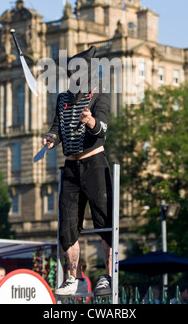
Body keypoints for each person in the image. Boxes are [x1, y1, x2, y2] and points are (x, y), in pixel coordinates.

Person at [43, 46, 113, 297]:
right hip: (70, 168)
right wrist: (51, 138)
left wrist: (91, 121)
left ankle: (108, 276)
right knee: (68, 225)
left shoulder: (100, 94)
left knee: (104, 222)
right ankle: (75, 278)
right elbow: (57, 128)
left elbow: (103, 127)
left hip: (95, 165)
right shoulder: (62, 98)